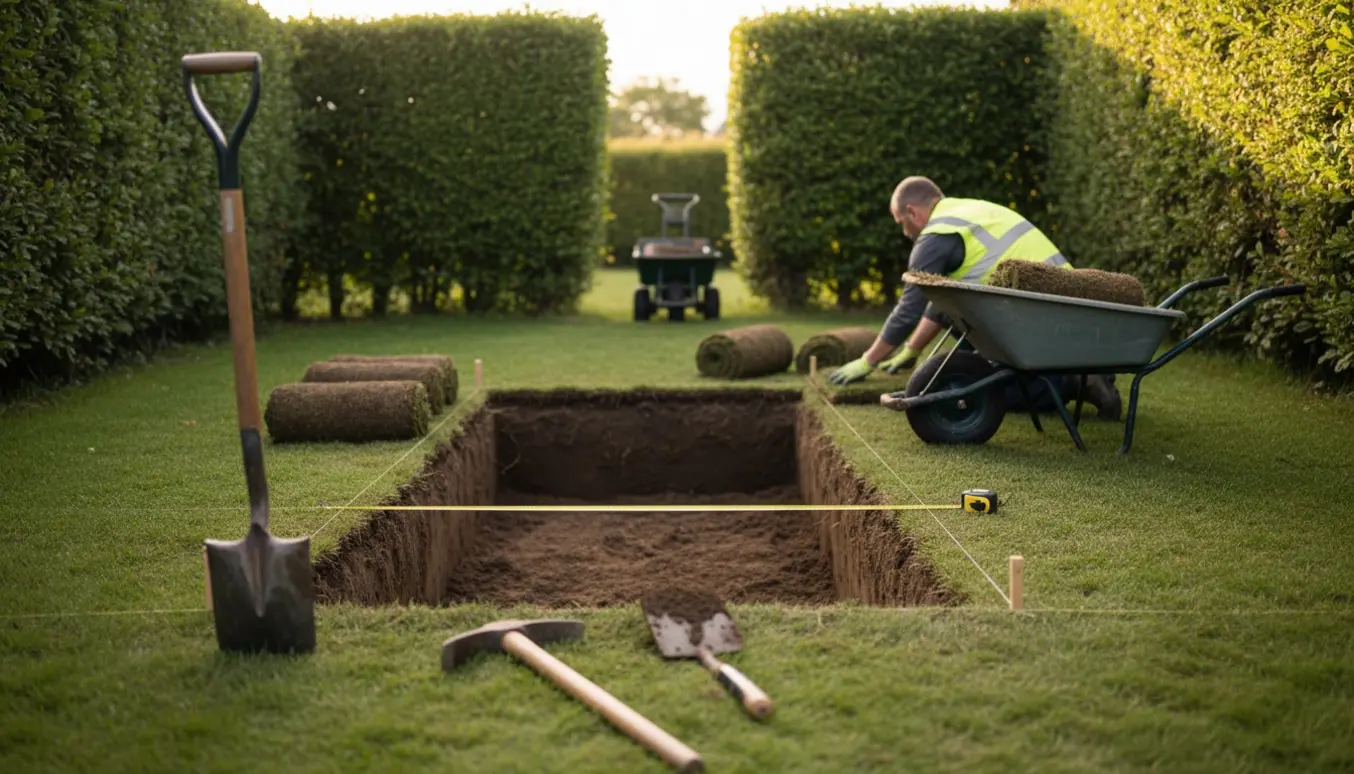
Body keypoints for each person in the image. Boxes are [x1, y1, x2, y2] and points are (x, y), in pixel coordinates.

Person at [827, 176, 1122, 420]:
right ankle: (1073, 376)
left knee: (991, 391)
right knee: (969, 335)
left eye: (901, 222)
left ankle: (1071, 382)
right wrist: (911, 349)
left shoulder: (936, 235)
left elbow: (910, 306)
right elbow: (942, 303)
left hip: (1040, 314)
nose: (905, 232)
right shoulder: (966, 213)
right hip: (1062, 307)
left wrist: (868, 360)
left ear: (913, 212)